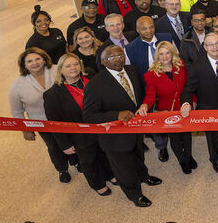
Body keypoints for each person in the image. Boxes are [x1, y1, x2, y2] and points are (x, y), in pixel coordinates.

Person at [83, 46, 162, 208]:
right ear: (104, 62)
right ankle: (134, 194)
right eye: (112, 57)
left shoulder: (132, 70)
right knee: (123, 168)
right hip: (115, 137)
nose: (118, 58)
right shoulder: (95, 85)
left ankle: (143, 176)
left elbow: (138, 95)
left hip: (136, 129)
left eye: (120, 54)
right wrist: (116, 115)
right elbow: (89, 116)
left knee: (139, 156)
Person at [43, 54, 114, 196]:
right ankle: (98, 184)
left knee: (106, 153)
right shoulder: (52, 95)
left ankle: (110, 174)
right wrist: (64, 144)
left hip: (102, 127)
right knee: (89, 160)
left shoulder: (92, 77)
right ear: (60, 70)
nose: (73, 68)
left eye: (75, 64)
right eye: (68, 66)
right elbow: (55, 123)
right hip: (80, 136)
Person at [10, 48, 77, 183]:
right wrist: (25, 129)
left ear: (44, 59)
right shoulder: (17, 85)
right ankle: (62, 169)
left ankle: (76, 161)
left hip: (65, 117)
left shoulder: (58, 69)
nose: (35, 63)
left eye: (37, 59)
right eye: (29, 61)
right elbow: (17, 110)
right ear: (24, 65)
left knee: (72, 141)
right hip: (42, 123)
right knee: (54, 147)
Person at [139, 41, 196, 175]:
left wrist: (193, 102)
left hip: (184, 108)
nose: (165, 57)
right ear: (157, 56)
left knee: (187, 135)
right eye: (161, 54)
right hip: (167, 112)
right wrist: (144, 105)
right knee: (175, 138)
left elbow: (188, 86)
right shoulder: (151, 74)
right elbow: (150, 95)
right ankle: (182, 160)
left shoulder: (180, 66)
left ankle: (189, 156)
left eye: (167, 53)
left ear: (172, 53)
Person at [178, 33, 218, 174]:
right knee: (212, 138)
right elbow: (188, 89)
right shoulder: (196, 67)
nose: (214, 47)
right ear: (205, 47)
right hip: (208, 107)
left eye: (217, 43)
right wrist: (186, 103)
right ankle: (215, 159)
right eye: (210, 44)